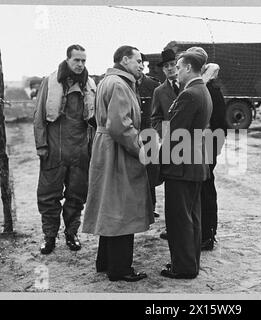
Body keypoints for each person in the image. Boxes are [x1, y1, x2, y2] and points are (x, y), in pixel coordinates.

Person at [82, 45, 154, 282]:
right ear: (124, 60)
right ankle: (120, 269)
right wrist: (140, 149)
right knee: (122, 208)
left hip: (107, 148)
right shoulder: (121, 85)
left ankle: (104, 262)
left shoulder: (107, 80)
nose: (141, 66)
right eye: (138, 61)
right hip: (118, 150)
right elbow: (121, 126)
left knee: (110, 206)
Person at [33, 44, 96, 254]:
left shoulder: (89, 85)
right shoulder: (50, 83)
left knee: (76, 196)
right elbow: (39, 117)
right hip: (54, 151)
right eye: (76, 60)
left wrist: (92, 149)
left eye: (83, 61)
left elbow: (95, 122)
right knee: (49, 196)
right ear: (67, 60)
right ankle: (49, 237)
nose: (80, 64)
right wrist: (41, 146)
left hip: (80, 152)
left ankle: (71, 233)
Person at [160, 48, 213, 279]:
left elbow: (175, 135)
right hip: (194, 164)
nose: (176, 72)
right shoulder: (202, 90)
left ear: (189, 68)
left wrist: (157, 164)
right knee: (192, 218)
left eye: (179, 68)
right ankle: (190, 264)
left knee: (179, 220)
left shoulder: (189, 94)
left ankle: (183, 267)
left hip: (181, 167)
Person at [150, 48, 180, 240]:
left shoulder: (191, 85)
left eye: (172, 65)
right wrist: (166, 134)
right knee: (172, 190)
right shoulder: (159, 91)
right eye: (166, 66)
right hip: (172, 148)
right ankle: (173, 228)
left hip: (193, 146)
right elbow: (155, 118)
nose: (170, 69)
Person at [197, 62, 228, 251]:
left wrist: (214, 150)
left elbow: (220, 125)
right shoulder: (203, 88)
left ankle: (208, 234)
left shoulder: (212, 91)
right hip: (201, 146)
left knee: (206, 189)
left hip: (208, 146)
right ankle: (204, 232)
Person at [137, 54, 161, 218]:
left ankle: (151, 205)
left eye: (141, 64)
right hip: (132, 133)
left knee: (150, 171)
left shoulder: (152, 85)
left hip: (149, 133)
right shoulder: (125, 84)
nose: (139, 67)